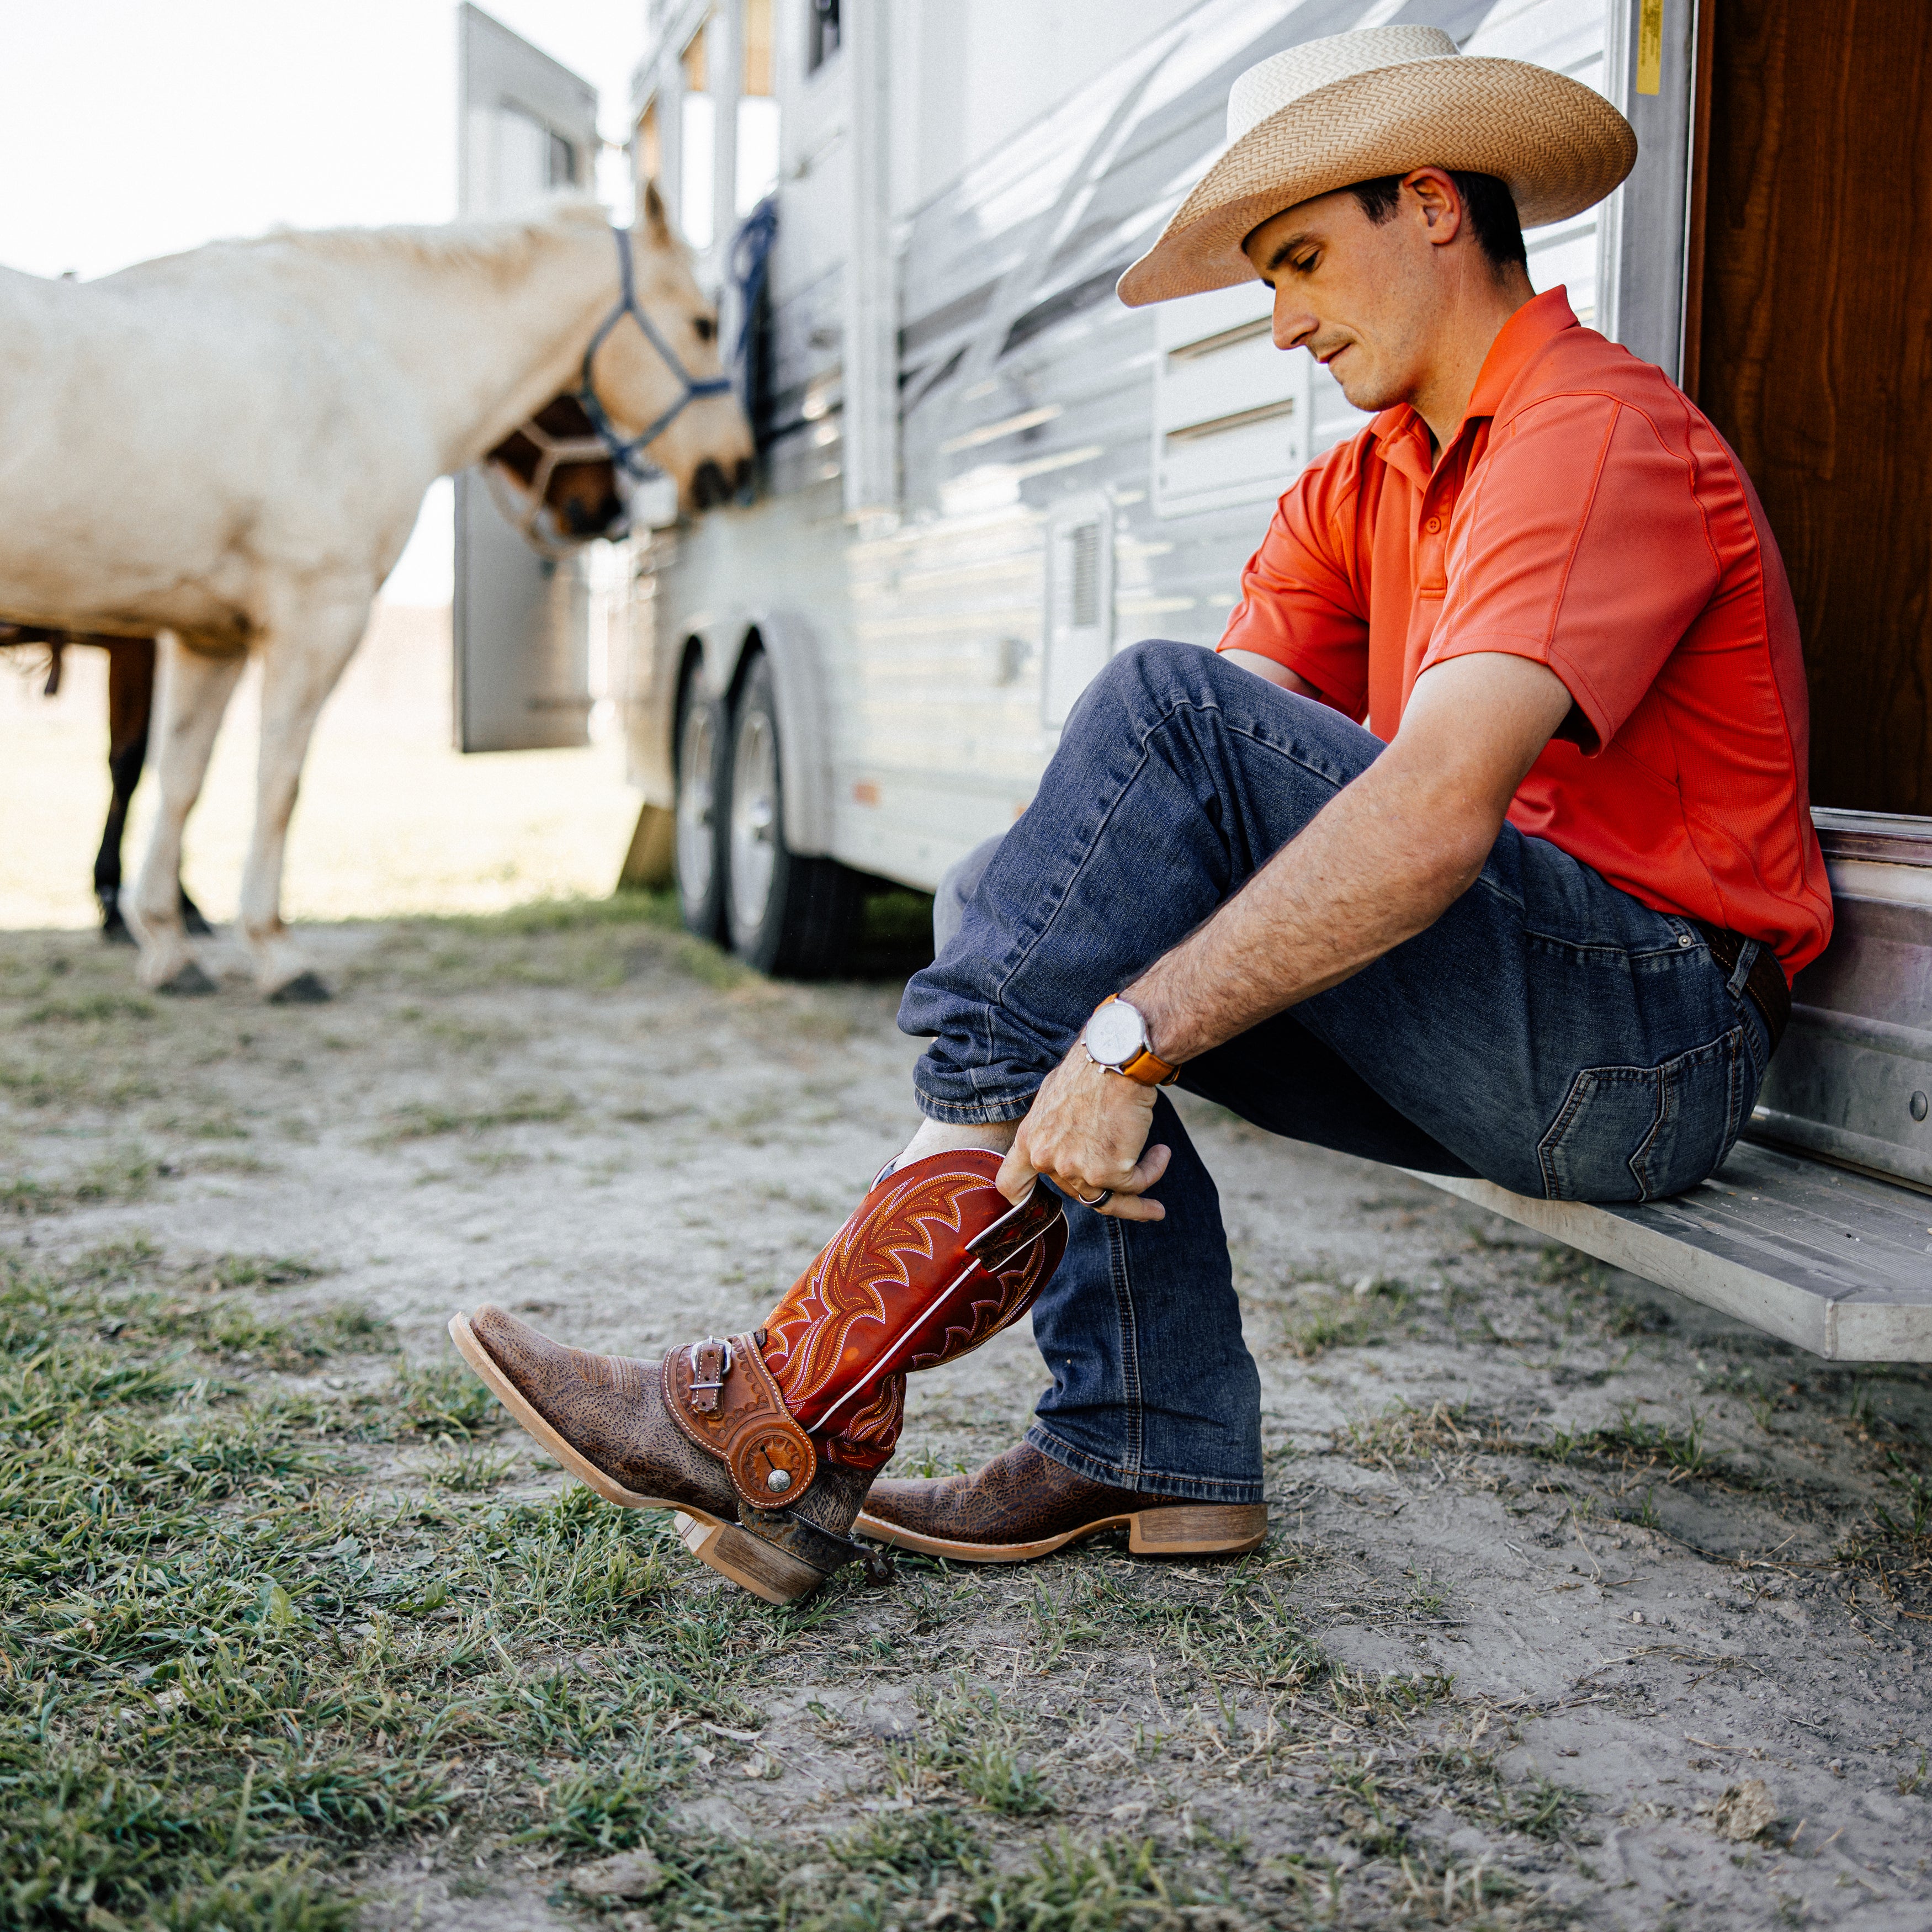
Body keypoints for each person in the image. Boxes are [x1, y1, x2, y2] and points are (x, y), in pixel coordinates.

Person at [449, 25, 1830, 1605]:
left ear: (1434, 204)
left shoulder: (1594, 431)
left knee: (1150, 754)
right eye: (1267, 280)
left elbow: (1431, 810)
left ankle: (795, 1410)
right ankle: (1143, 1436)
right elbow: (1152, 829)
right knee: (1040, 896)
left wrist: (1124, 1044)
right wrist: (1096, 1011)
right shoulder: (1360, 484)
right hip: (1511, 1012)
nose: (1282, 322)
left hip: (1651, 1042)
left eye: (1301, 262)